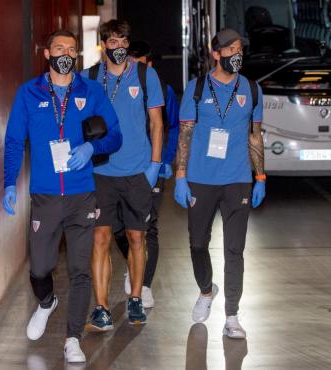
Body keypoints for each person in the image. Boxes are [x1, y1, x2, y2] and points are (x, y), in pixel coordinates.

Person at [2, 29, 121, 363]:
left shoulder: (91, 91)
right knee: (40, 268)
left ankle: (72, 338)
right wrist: (9, 182)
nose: (66, 54)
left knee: (80, 270)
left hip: (82, 194)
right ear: (47, 54)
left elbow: (115, 136)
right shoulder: (28, 93)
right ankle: (46, 302)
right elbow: (13, 141)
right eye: (59, 48)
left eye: (71, 49)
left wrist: (91, 147)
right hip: (45, 196)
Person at [174, 28, 266, 339]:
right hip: (200, 179)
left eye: (240, 50)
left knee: (234, 250)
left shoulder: (252, 90)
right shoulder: (196, 88)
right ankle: (205, 289)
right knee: (198, 243)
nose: (236, 56)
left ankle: (232, 316)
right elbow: (185, 133)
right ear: (216, 55)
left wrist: (261, 177)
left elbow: (255, 135)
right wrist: (181, 176)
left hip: (238, 180)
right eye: (231, 51)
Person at [81, 20, 165, 330]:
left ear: (128, 43)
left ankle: (135, 299)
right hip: (100, 172)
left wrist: (154, 166)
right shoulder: (89, 77)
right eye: (112, 41)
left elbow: (157, 123)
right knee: (100, 237)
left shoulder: (145, 74)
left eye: (123, 40)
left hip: (137, 171)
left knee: (136, 237)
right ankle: (101, 307)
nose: (118, 46)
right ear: (103, 44)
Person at [113, 40, 180, 308]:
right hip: (119, 168)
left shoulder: (164, 91)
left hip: (151, 168)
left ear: (149, 65)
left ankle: (146, 284)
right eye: (130, 62)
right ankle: (134, 263)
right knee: (118, 225)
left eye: (140, 64)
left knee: (148, 226)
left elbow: (172, 126)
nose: (133, 68)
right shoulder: (114, 88)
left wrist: (165, 160)